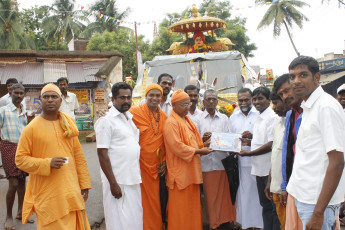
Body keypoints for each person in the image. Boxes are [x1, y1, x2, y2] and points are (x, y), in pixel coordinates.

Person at [15, 83, 91, 229]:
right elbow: (20, 160)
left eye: (54, 96)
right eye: (46, 97)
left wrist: (84, 184)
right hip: (48, 192)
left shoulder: (68, 125)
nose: (50, 100)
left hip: (71, 189)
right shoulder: (31, 128)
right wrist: (47, 163)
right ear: (40, 100)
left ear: (60, 101)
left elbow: (79, 157)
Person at [286, 56, 345, 229]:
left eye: (303, 75)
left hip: (317, 203)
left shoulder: (326, 107)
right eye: (292, 76)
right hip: (306, 197)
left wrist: (318, 213)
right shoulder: (309, 106)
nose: (296, 81)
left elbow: (337, 162)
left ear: (317, 77)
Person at [95, 82, 143, 230]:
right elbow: (102, 154)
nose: (126, 101)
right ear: (113, 99)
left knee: (133, 219)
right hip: (117, 181)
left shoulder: (128, 118)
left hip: (132, 178)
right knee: (118, 221)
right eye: (122, 98)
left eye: (129, 97)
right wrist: (113, 184)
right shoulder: (106, 121)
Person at [163, 89, 213, 230]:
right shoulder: (171, 122)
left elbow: (192, 142)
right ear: (174, 106)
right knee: (181, 211)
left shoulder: (187, 120)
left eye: (188, 104)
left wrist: (205, 145)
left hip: (191, 173)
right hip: (180, 175)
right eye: (184, 105)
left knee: (192, 209)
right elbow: (177, 147)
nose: (188, 107)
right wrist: (199, 150)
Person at [194, 89, 237, 230]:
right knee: (210, 197)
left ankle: (224, 220)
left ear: (217, 101)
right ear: (203, 101)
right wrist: (203, 139)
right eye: (208, 99)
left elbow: (231, 138)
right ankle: (213, 223)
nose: (211, 102)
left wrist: (221, 140)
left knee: (223, 195)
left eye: (214, 99)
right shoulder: (198, 119)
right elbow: (193, 142)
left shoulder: (224, 118)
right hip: (205, 164)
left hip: (221, 162)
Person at [238, 86, 280, 230]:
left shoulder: (272, 117)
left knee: (274, 208)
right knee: (266, 206)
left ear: (268, 100)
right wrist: (250, 140)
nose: (257, 102)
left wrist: (249, 153)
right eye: (254, 99)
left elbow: (271, 144)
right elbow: (261, 141)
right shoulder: (259, 117)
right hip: (258, 169)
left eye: (260, 98)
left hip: (268, 170)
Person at [129, 83, 169, 230]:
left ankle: (155, 226)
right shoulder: (133, 113)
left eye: (157, 95)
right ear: (145, 96)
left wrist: (164, 162)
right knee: (139, 201)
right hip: (139, 165)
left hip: (157, 167)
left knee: (156, 201)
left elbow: (166, 143)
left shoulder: (165, 117)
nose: (154, 98)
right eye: (151, 95)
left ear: (161, 97)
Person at [229, 88, 263, 230]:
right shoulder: (233, 117)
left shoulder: (259, 115)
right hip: (242, 162)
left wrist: (252, 137)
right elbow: (230, 138)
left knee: (259, 193)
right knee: (245, 193)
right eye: (240, 100)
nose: (243, 102)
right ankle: (247, 224)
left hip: (259, 160)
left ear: (252, 99)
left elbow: (265, 138)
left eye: (246, 99)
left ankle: (261, 224)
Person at [0, 84, 33, 230]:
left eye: (21, 93)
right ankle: (8, 217)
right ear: (10, 93)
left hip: (23, 149)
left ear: (24, 95)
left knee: (22, 182)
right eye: (16, 93)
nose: (19, 95)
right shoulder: (3, 111)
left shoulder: (25, 112)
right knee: (13, 182)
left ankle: (21, 212)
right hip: (8, 147)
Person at [274, 73, 303, 230]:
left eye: (287, 91)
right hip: (293, 184)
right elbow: (287, 151)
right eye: (281, 94)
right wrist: (285, 186)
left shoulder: (315, 111)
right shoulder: (291, 114)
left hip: (312, 187)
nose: (285, 96)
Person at [264, 89, 289, 230]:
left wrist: (285, 187)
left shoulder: (292, 124)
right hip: (276, 187)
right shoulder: (278, 123)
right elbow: (275, 156)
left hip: (284, 190)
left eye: (276, 103)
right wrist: (269, 181)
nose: (274, 108)